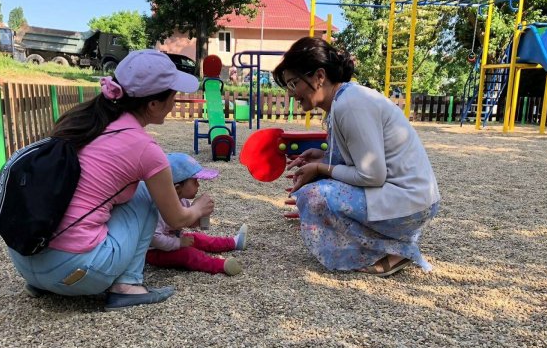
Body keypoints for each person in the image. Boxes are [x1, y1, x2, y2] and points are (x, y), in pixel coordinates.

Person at [6, 49, 216, 311]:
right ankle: (128, 286)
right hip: (76, 274)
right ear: (153, 104)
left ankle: (49, 279)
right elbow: (176, 219)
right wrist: (199, 208)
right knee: (146, 193)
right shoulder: (144, 148)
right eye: (173, 96)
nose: (175, 102)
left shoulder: (83, 121)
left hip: (27, 260)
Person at [273, 37, 441, 277]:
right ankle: (393, 244)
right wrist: (322, 157)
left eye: (293, 83)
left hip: (409, 201)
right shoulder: (344, 100)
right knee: (319, 190)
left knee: (314, 196)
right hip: (411, 198)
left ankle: (395, 250)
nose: (291, 94)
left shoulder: (350, 105)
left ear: (319, 76)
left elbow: (371, 174)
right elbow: (357, 158)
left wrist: (322, 169)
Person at [146, 153, 248, 276]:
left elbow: (191, 223)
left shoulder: (182, 201)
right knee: (188, 254)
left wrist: (203, 214)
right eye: (195, 182)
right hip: (154, 251)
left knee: (198, 238)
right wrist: (179, 243)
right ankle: (220, 265)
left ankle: (234, 242)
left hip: (175, 238)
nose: (198, 185)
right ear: (177, 188)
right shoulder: (158, 208)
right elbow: (155, 238)